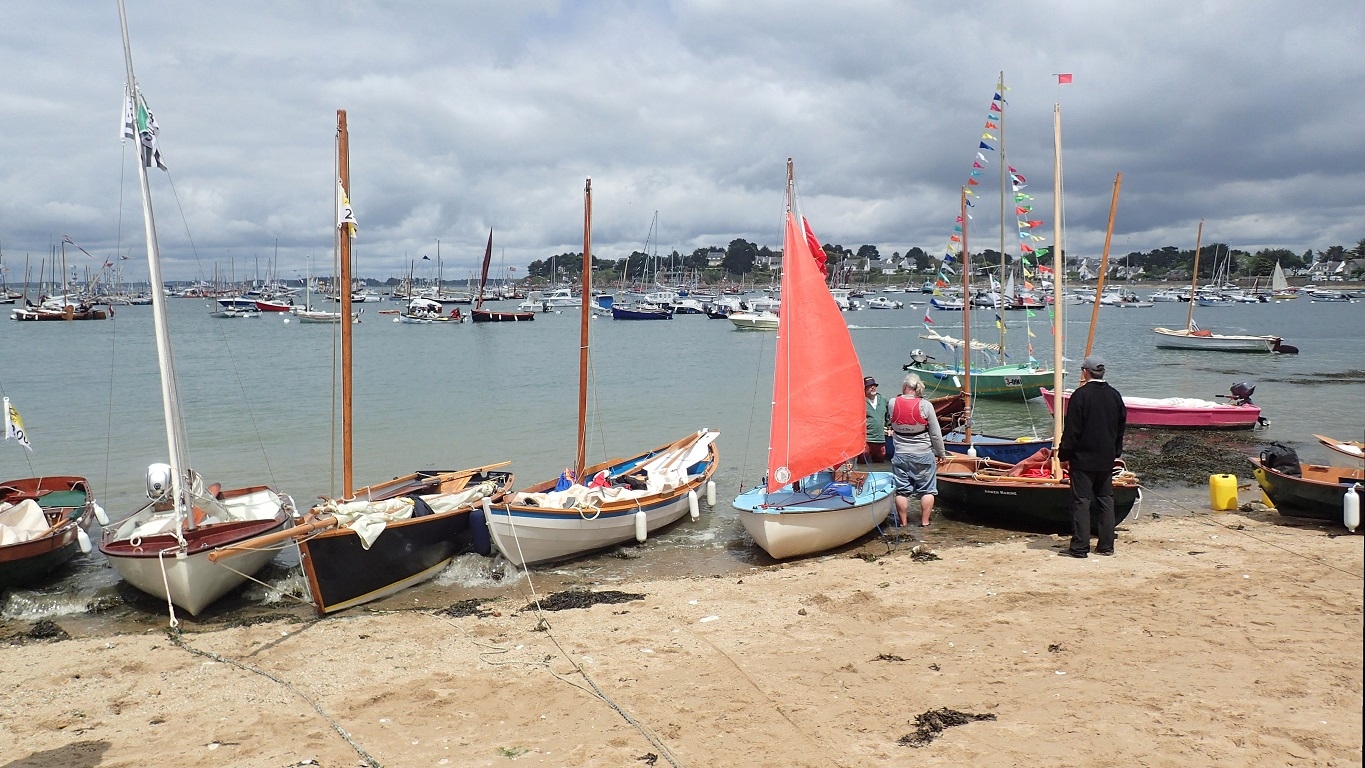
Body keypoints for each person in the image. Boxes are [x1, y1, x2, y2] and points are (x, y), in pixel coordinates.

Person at [1057, 355, 1127, 558]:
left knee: (1082, 501)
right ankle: (1106, 546)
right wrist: (1116, 452)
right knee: (1106, 500)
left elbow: (1072, 430)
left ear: (1085, 372)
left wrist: (1064, 454)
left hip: (1083, 459)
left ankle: (1080, 547)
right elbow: (1121, 427)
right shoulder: (1114, 395)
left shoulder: (1081, 395)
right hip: (1106, 458)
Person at [889, 373, 946, 527]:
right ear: (918, 389)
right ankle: (925, 522)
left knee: (901, 492)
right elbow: (935, 434)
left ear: (904, 386)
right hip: (923, 454)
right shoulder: (926, 405)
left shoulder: (892, 403)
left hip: (900, 454)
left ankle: (903, 523)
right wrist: (941, 453)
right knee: (927, 490)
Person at [863, 376, 891, 463]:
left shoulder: (883, 400)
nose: (872, 387)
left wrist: (889, 428)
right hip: (866, 439)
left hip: (880, 438)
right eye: (869, 386)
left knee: (880, 459)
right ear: (864, 388)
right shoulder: (861, 401)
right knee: (862, 461)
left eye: (874, 385)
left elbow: (888, 416)